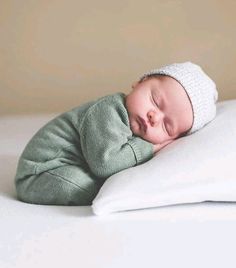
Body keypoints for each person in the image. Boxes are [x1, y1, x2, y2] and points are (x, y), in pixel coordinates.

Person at [14, 62, 218, 206]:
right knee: (92, 187)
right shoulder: (109, 111)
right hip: (41, 171)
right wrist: (150, 147)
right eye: (155, 101)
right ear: (140, 82)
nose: (154, 117)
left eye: (167, 126)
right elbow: (105, 164)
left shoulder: (134, 122)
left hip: (68, 165)